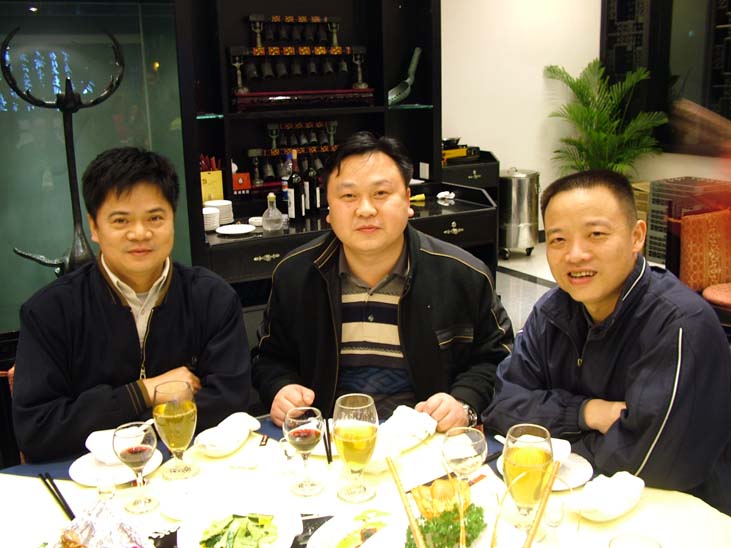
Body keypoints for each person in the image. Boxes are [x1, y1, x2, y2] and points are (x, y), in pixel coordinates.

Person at [483, 169, 731, 514]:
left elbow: (648, 462)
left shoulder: (679, 326)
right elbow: (503, 408)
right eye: (558, 239)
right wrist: (586, 413)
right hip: (573, 502)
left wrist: (551, 436)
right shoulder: (552, 312)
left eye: (596, 234)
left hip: (676, 514)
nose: (575, 254)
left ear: (636, 236)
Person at [252, 131, 513, 431]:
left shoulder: (463, 275)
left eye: (381, 193)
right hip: (329, 444)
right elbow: (268, 358)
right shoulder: (295, 276)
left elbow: (498, 357)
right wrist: (281, 388)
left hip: (427, 442)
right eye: (348, 196)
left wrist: (464, 403)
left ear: (408, 200)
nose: (366, 209)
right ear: (329, 209)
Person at [12, 147, 251, 462]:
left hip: (189, 470)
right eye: (121, 220)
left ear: (173, 219)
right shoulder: (49, 312)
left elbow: (230, 403)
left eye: (155, 217)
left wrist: (102, 419)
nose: (140, 233)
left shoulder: (212, 297)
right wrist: (143, 392)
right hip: (88, 478)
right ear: (94, 227)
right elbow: (38, 431)